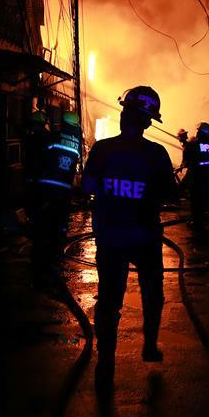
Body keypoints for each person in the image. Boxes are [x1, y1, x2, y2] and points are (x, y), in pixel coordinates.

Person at [81, 86, 177, 395]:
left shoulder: (102, 149)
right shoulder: (157, 154)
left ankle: (105, 362)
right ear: (148, 122)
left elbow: (87, 187)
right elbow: (171, 194)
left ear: (124, 115)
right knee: (152, 293)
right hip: (145, 236)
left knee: (109, 301)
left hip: (110, 236)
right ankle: (149, 345)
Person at [30, 109, 81, 291]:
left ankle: (42, 265)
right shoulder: (77, 142)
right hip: (64, 189)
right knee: (59, 224)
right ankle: (56, 254)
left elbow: (42, 157)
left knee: (43, 223)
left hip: (48, 185)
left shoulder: (54, 137)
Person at [188, 121, 209, 231]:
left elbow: (190, 157)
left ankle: (197, 223)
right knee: (206, 202)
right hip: (208, 178)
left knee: (196, 203)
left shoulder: (195, 145)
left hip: (197, 179)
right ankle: (204, 222)